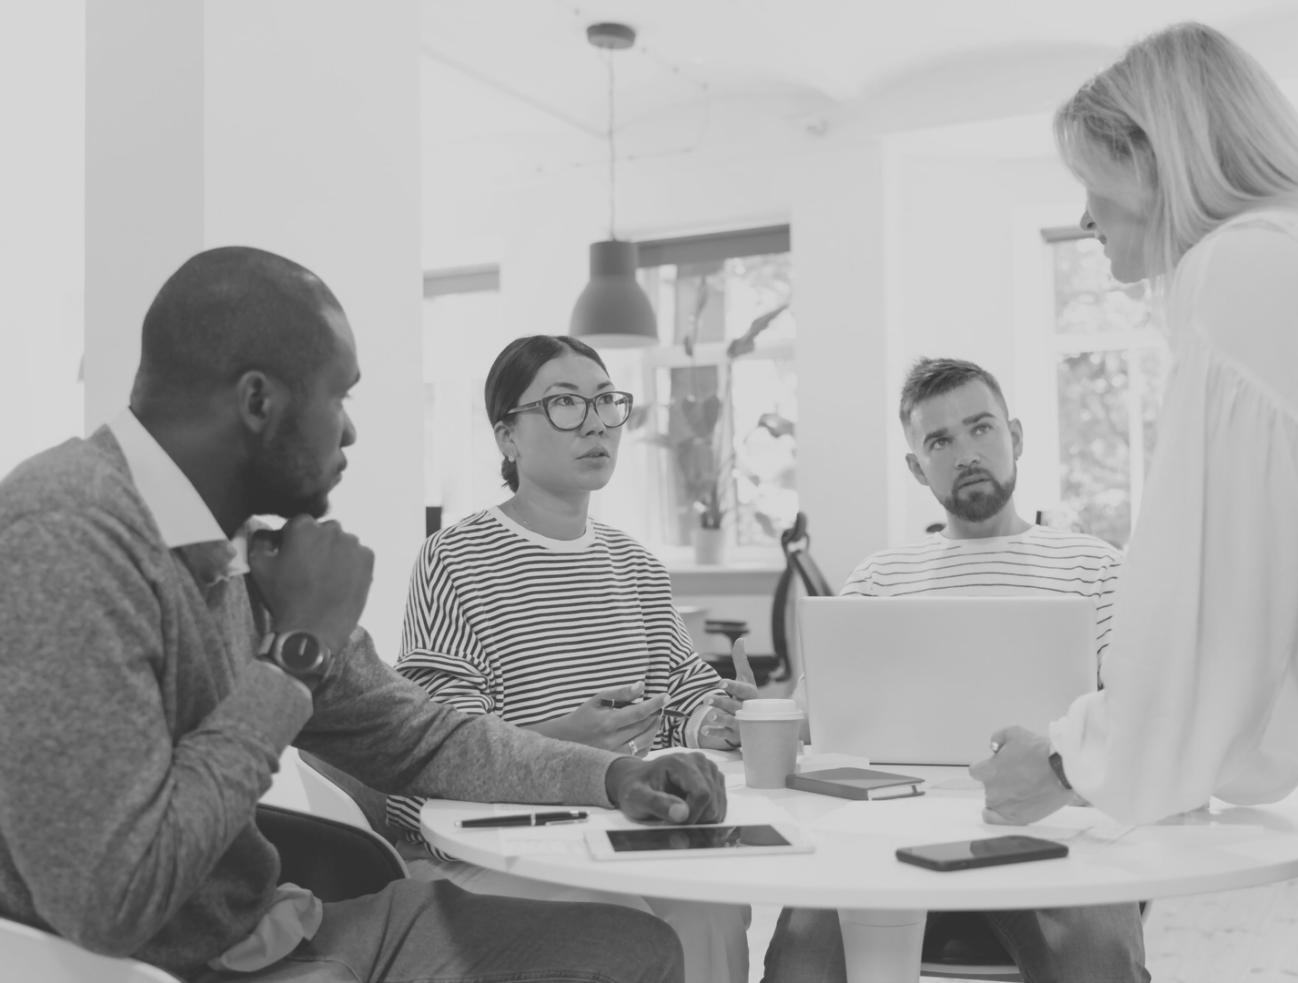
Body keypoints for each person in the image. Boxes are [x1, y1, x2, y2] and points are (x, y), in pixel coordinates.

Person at [0, 246, 730, 983]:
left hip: (291, 927)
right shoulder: (65, 535)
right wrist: (296, 651)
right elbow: (110, 899)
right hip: (187, 969)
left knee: (636, 947)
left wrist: (613, 776)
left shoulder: (240, 553)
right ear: (260, 402)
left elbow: (422, 736)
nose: (349, 433)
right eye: (339, 397)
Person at [975, 21, 1298, 829]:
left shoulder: (1246, 268)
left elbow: (1205, 585)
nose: (1086, 217)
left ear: (1147, 162)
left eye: (1091, 181)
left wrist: (1073, 758)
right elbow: (1282, 593)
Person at [763, 357, 1147, 983]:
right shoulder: (880, 577)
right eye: (939, 440)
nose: (965, 452)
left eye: (981, 428)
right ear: (917, 466)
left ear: (1014, 437)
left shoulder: (1094, 567)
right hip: (880, 835)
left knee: (1098, 955)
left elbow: (1134, 710)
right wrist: (768, 716)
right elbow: (815, 718)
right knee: (802, 955)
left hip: (1051, 833)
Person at [387, 334, 756, 983]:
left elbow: (682, 690)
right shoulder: (455, 559)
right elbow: (441, 749)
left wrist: (715, 719)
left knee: (712, 907)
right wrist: (571, 743)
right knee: (626, 920)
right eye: (564, 403)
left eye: (606, 401)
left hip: (624, 822)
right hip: (496, 843)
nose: (594, 422)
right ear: (507, 437)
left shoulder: (635, 564)